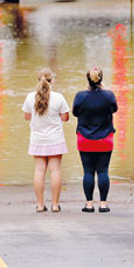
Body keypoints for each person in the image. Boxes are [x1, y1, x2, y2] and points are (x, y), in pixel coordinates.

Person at [22, 68, 70, 213]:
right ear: (52, 81)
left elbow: (27, 117)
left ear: (38, 81)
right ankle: (55, 205)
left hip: (37, 140)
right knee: (55, 170)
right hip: (55, 139)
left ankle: (40, 205)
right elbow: (65, 118)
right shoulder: (58, 97)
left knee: (39, 171)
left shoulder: (30, 97)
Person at [72, 67, 117, 213]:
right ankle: (103, 204)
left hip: (85, 138)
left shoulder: (80, 96)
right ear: (101, 79)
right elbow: (114, 109)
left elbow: (75, 112)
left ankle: (89, 204)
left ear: (88, 79)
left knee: (88, 172)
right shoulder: (109, 96)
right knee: (103, 171)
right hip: (105, 139)